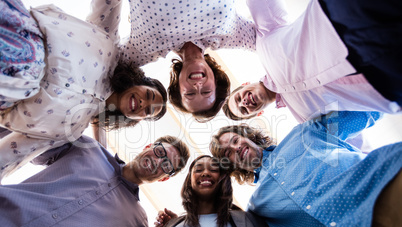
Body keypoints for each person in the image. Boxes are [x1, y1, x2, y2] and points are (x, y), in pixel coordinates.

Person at [210, 111, 402, 227]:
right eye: (228, 153)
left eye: (235, 140)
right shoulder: (257, 209)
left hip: (386, 193)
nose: (235, 148)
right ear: (231, 166)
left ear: (247, 136)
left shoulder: (303, 134)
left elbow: (367, 110)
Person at [0, 0, 167, 178]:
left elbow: (16, 152)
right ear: (139, 82)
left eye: (148, 111)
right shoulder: (109, 44)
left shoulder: (72, 130)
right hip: (15, 29)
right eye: (148, 95)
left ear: (136, 119)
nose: (143, 103)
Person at [0, 134, 190, 227]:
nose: (157, 162)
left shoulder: (138, 223)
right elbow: (29, 143)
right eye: (159, 153)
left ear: (164, 177)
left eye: (166, 165)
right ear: (148, 147)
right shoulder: (87, 147)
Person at [223, 0, 402, 121]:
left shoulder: (263, 43)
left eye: (238, 98)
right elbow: (344, 134)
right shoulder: (305, 120)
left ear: (245, 84)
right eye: (244, 110)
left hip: (346, 21)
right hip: (384, 82)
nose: (243, 102)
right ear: (258, 113)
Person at [94, 155, 284, 227]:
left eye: (213, 169)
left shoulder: (245, 221)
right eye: (198, 169)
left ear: (223, 179)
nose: (205, 172)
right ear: (190, 181)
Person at [119, 0, 256, 121]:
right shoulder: (227, 34)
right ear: (215, 82)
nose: (197, 86)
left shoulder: (147, 47)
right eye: (206, 92)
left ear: (178, 87)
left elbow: (108, 66)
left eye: (190, 93)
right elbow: (270, 40)